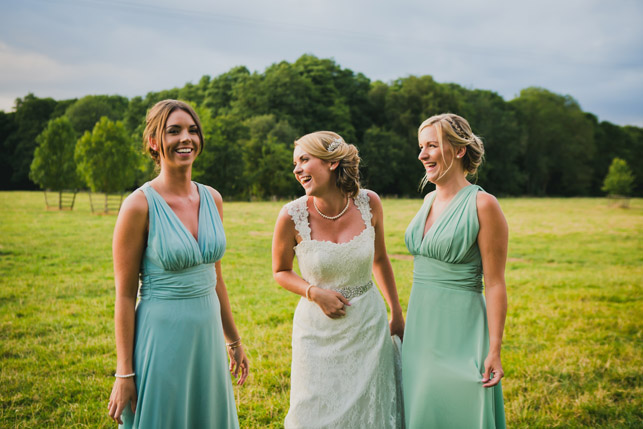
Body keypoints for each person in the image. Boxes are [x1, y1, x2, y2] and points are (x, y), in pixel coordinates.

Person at [107, 100, 248, 428]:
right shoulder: (138, 205)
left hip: (208, 336)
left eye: (192, 130)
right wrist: (124, 372)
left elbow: (216, 278)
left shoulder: (213, 198)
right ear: (155, 142)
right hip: (161, 336)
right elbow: (125, 296)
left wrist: (234, 340)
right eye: (174, 131)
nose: (186, 138)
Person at [272, 131, 405, 428]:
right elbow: (280, 271)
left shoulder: (369, 203)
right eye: (295, 163)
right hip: (316, 331)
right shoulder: (291, 216)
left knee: (371, 408)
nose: (296, 169)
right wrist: (313, 292)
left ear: (332, 163)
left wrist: (396, 311)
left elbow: (380, 259)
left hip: (368, 326)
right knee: (314, 409)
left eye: (304, 160)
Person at [402, 113, 507, 428]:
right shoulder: (428, 199)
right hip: (420, 332)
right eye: (421, 147)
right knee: (423, 410)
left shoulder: (483, 205)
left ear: (459, 150)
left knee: (461, 410)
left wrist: (494, 349)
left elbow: (496, 284)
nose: (422, 155)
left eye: (431, 146)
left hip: (462, 332)